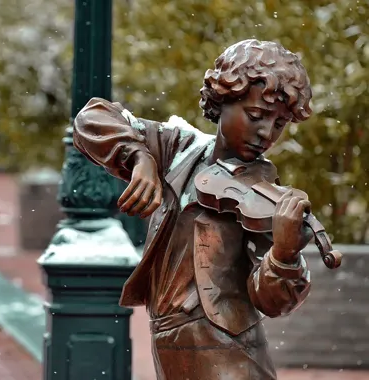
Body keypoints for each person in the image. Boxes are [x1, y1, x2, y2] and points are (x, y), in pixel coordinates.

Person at [73, 39, 314, 380]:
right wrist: (138, 156)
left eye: (279, 124)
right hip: (170, 343)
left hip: (227, 350)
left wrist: (284, 255)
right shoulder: (176, 149)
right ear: (222, 99)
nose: (265, 133)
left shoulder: (264, 195)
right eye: (256, 115)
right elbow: (91, 118)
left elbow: (273, 302)